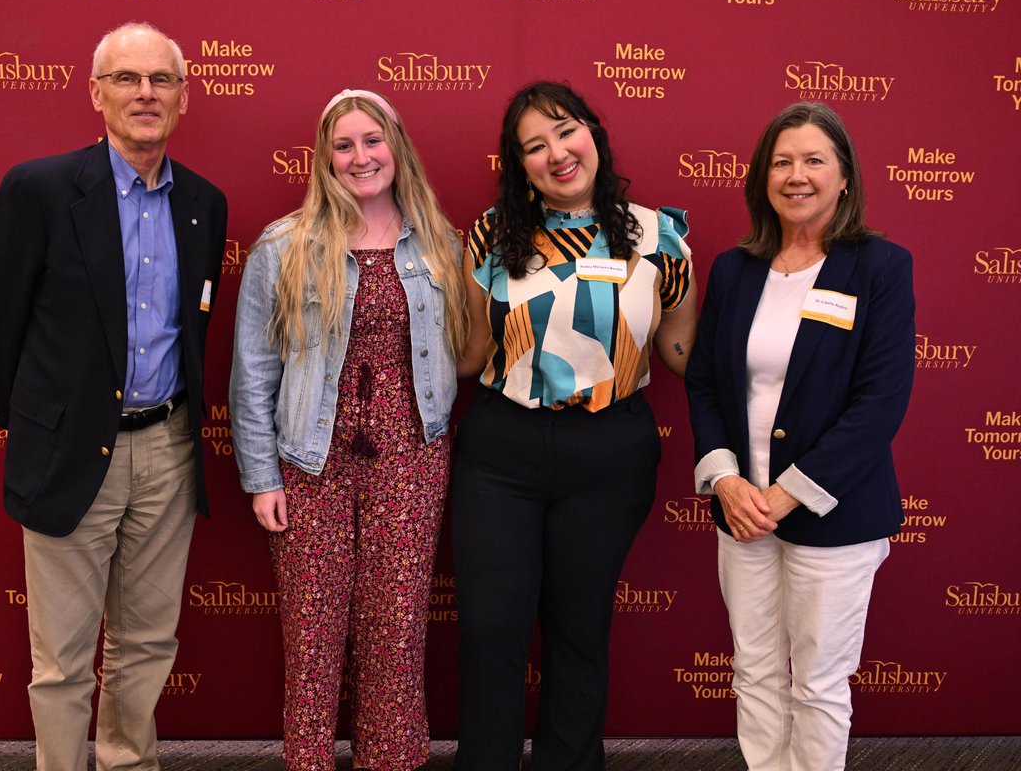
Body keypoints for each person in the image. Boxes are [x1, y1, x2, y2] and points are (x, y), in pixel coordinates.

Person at [0, 22, 227, 771]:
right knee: (63, 659)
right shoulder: (40, 190)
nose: (145, 94)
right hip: (68, 449)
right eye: (127, 79)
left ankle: (128, 764)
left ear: (184, 95)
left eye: (161, 80)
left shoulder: (204, 203)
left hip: (169, 450)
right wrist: (38, 419)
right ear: (96, 93)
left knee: (147, 644)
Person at [452, 81, 697, 770]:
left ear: (594, 130)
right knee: (491, 630)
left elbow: (680, 352)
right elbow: (470, 355)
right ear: (518, 164)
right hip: (502, 452)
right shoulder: (491, 234)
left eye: (566, 131)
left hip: (609, 454)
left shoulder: (662, 236)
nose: (557, 153)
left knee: (579, 631)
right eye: (534, 145)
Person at [229, 89, 467, 771]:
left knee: (395, 629)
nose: (361, 157)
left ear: (397, 147)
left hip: (410, 457)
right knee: (312, 632)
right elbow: (252, 372)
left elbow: (462, 351)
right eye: (344, 145)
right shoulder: (284, 247)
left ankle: (390, 760)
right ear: (325, 159)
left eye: (372, 140)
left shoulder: (441, 246)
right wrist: (261, 478)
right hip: (310, 459)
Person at [685, 101, 915, 771]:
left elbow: (879, 405)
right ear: (763, 177)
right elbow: (703, 383)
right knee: (754, 674)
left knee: (817, 684)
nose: (797, 175)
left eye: (814, 160)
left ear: (844, 176)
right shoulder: (734, 269)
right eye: (782, 161)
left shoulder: (880, 268)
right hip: (740, 514)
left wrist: (784, 495)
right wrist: (727, 481)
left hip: (833, 515)